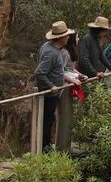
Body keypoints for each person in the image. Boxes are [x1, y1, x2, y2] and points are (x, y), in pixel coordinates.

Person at [34, 21, 81, 151]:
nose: (68, 38)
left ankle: (45, 148)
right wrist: (51, 86)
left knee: (48, 122)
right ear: (60, 38)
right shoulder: (51, 52)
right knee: (47, 122)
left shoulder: (53, 48)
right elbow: (39, 73)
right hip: (49, 93)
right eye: (66, 36)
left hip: (53, 92)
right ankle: (44, 150)